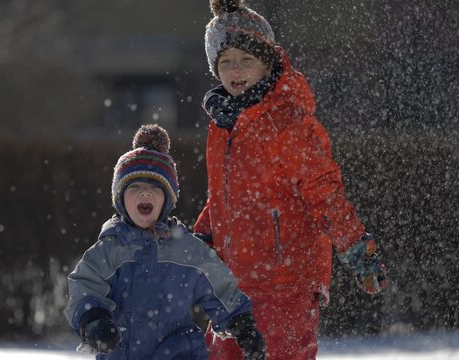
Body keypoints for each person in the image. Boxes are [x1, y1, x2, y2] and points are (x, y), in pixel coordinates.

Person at [193, 1, 389, 359]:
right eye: (225, 62)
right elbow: (222, 196)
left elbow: (324, 193)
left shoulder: (289, 124)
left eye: (246, 60)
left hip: (286, 280)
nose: (235, 69)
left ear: (268, 63)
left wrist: (356, 246)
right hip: (233, 284)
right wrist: (202, 237)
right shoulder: (221, 127)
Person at [63, 124, 266, 359]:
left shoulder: (187, 250)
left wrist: (242, 325)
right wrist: (93, 320)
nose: (144, 194)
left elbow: (221, 288)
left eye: (154, 188)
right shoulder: (110, 250)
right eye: (135, 187)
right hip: (124, 352)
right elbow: (85, 286)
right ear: (120, 199)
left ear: (167, 200)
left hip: (177, 352)